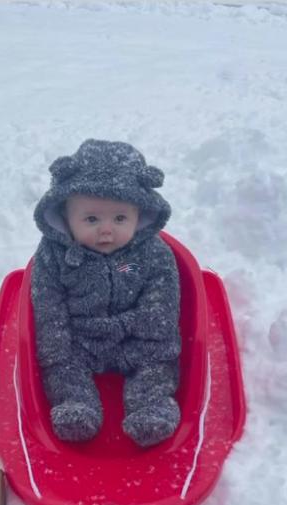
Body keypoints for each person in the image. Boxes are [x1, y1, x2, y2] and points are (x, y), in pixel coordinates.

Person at [29, 139, 181, 447]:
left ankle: (151, 407)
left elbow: (161, 296)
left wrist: (141, 327)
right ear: (66, 217)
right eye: (91, 219)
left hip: (134, 335)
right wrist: (56, 349)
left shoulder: (147, 255)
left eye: (120, 218)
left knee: (159, 360)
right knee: (61, 367)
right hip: (82, 337)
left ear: (141, 216)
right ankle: (77, 407)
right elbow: (48, 304)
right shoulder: (53, 256)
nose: (107, 230)